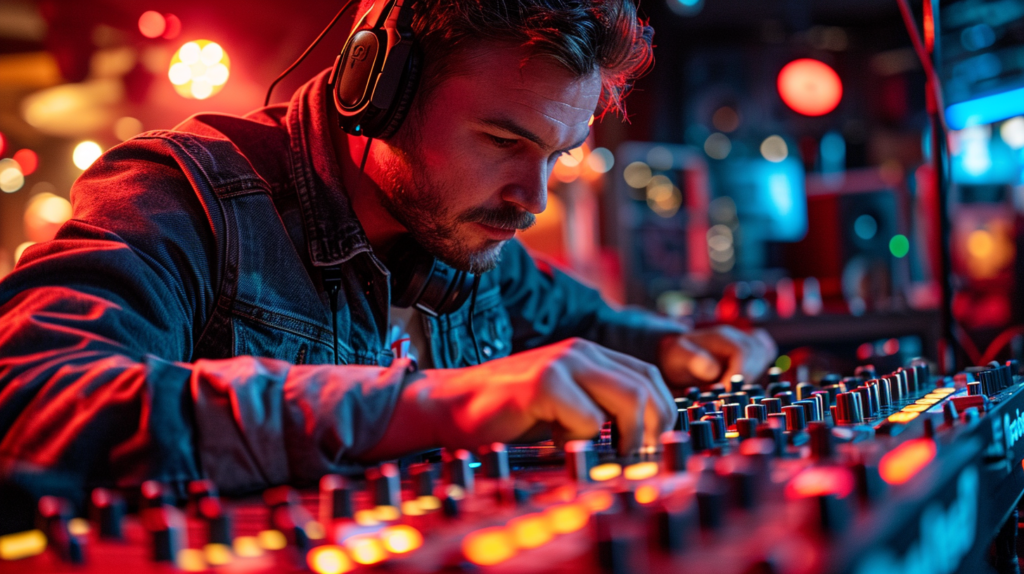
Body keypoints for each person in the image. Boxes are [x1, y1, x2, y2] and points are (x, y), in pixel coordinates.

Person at [0, 0, 774, 499]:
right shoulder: (183, 197)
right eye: (504, 140)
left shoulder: (472, 240)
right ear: (377, 87)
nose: (532, 197)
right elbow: (34, 399)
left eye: (556, 153)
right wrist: (428, 407)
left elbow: (595, 333)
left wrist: (684, 351)